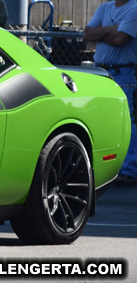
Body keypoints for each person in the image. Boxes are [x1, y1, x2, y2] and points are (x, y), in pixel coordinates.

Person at [84, 0, 137, 185]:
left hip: (122, 73)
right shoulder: (104, 8)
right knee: (101, 119)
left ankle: (129, 169)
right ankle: (106, 167)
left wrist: (102, 32)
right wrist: (111, 29)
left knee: (123, 120)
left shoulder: (134, 8)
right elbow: (87, 34)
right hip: (101, 72)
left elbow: (120, 39)